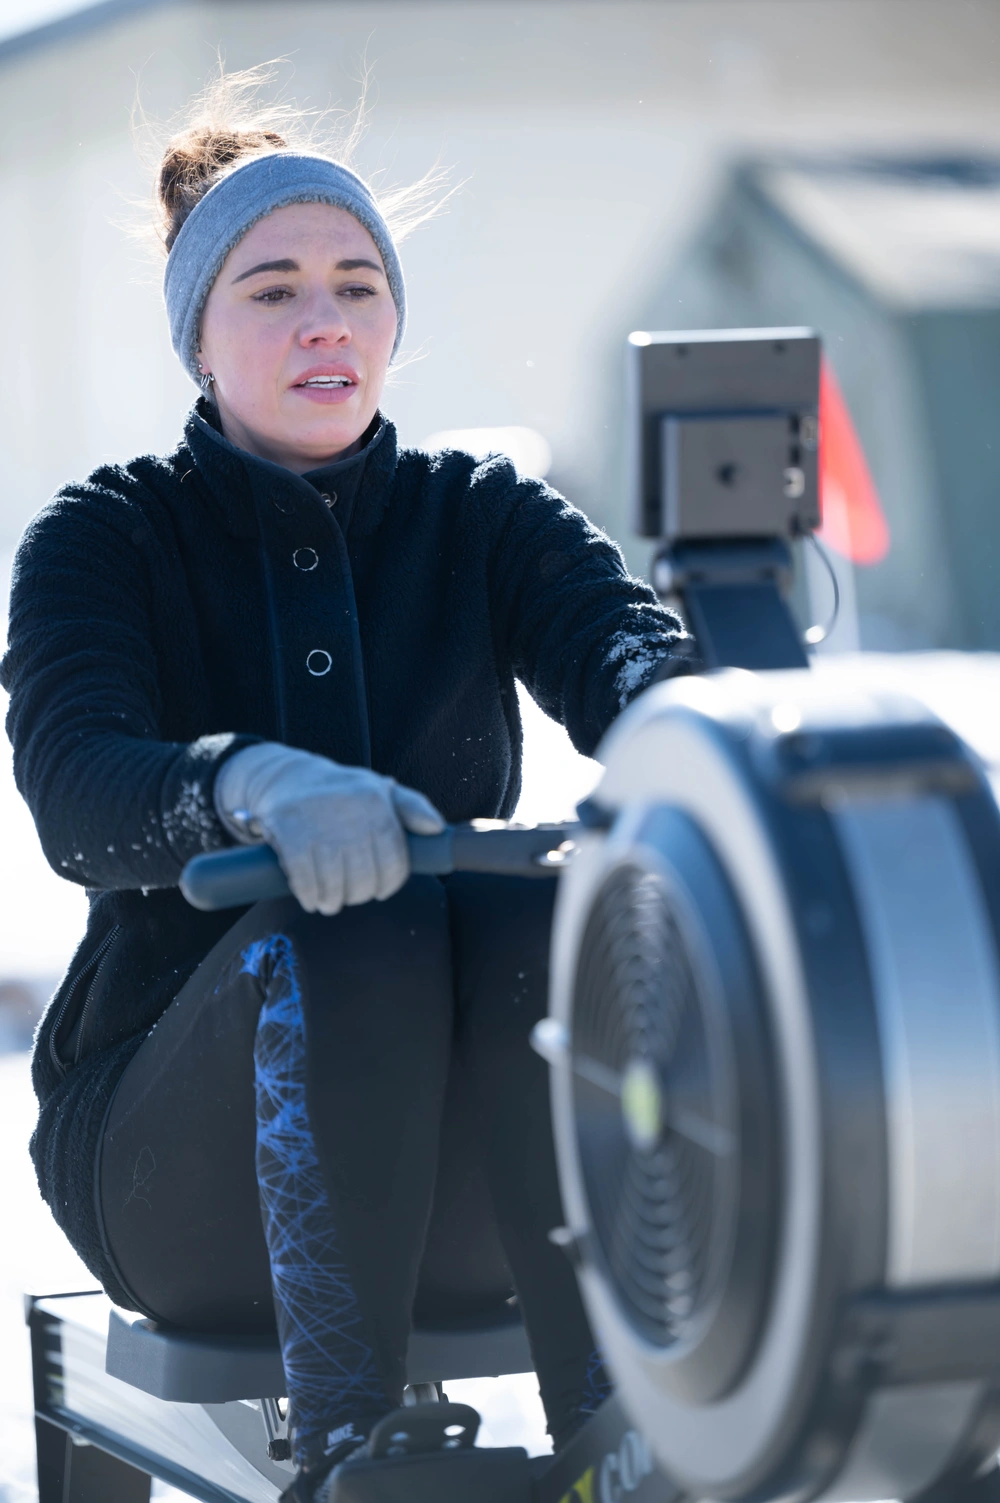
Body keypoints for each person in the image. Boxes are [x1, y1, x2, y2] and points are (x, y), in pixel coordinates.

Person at [0, 76, 689, 1503]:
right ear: (198, 336)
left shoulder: (481, 514)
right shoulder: (105, 538)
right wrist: (245, 781)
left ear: (393, 318)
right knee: (362, 912)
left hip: (478, 1193)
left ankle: (619, 1435)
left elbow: (624, 650)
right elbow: (75, 790)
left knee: (522, 910)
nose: (325, 320)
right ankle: (351, 1446)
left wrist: (703, 739)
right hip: (181, 1186)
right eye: (272, 290)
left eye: (356, 284)